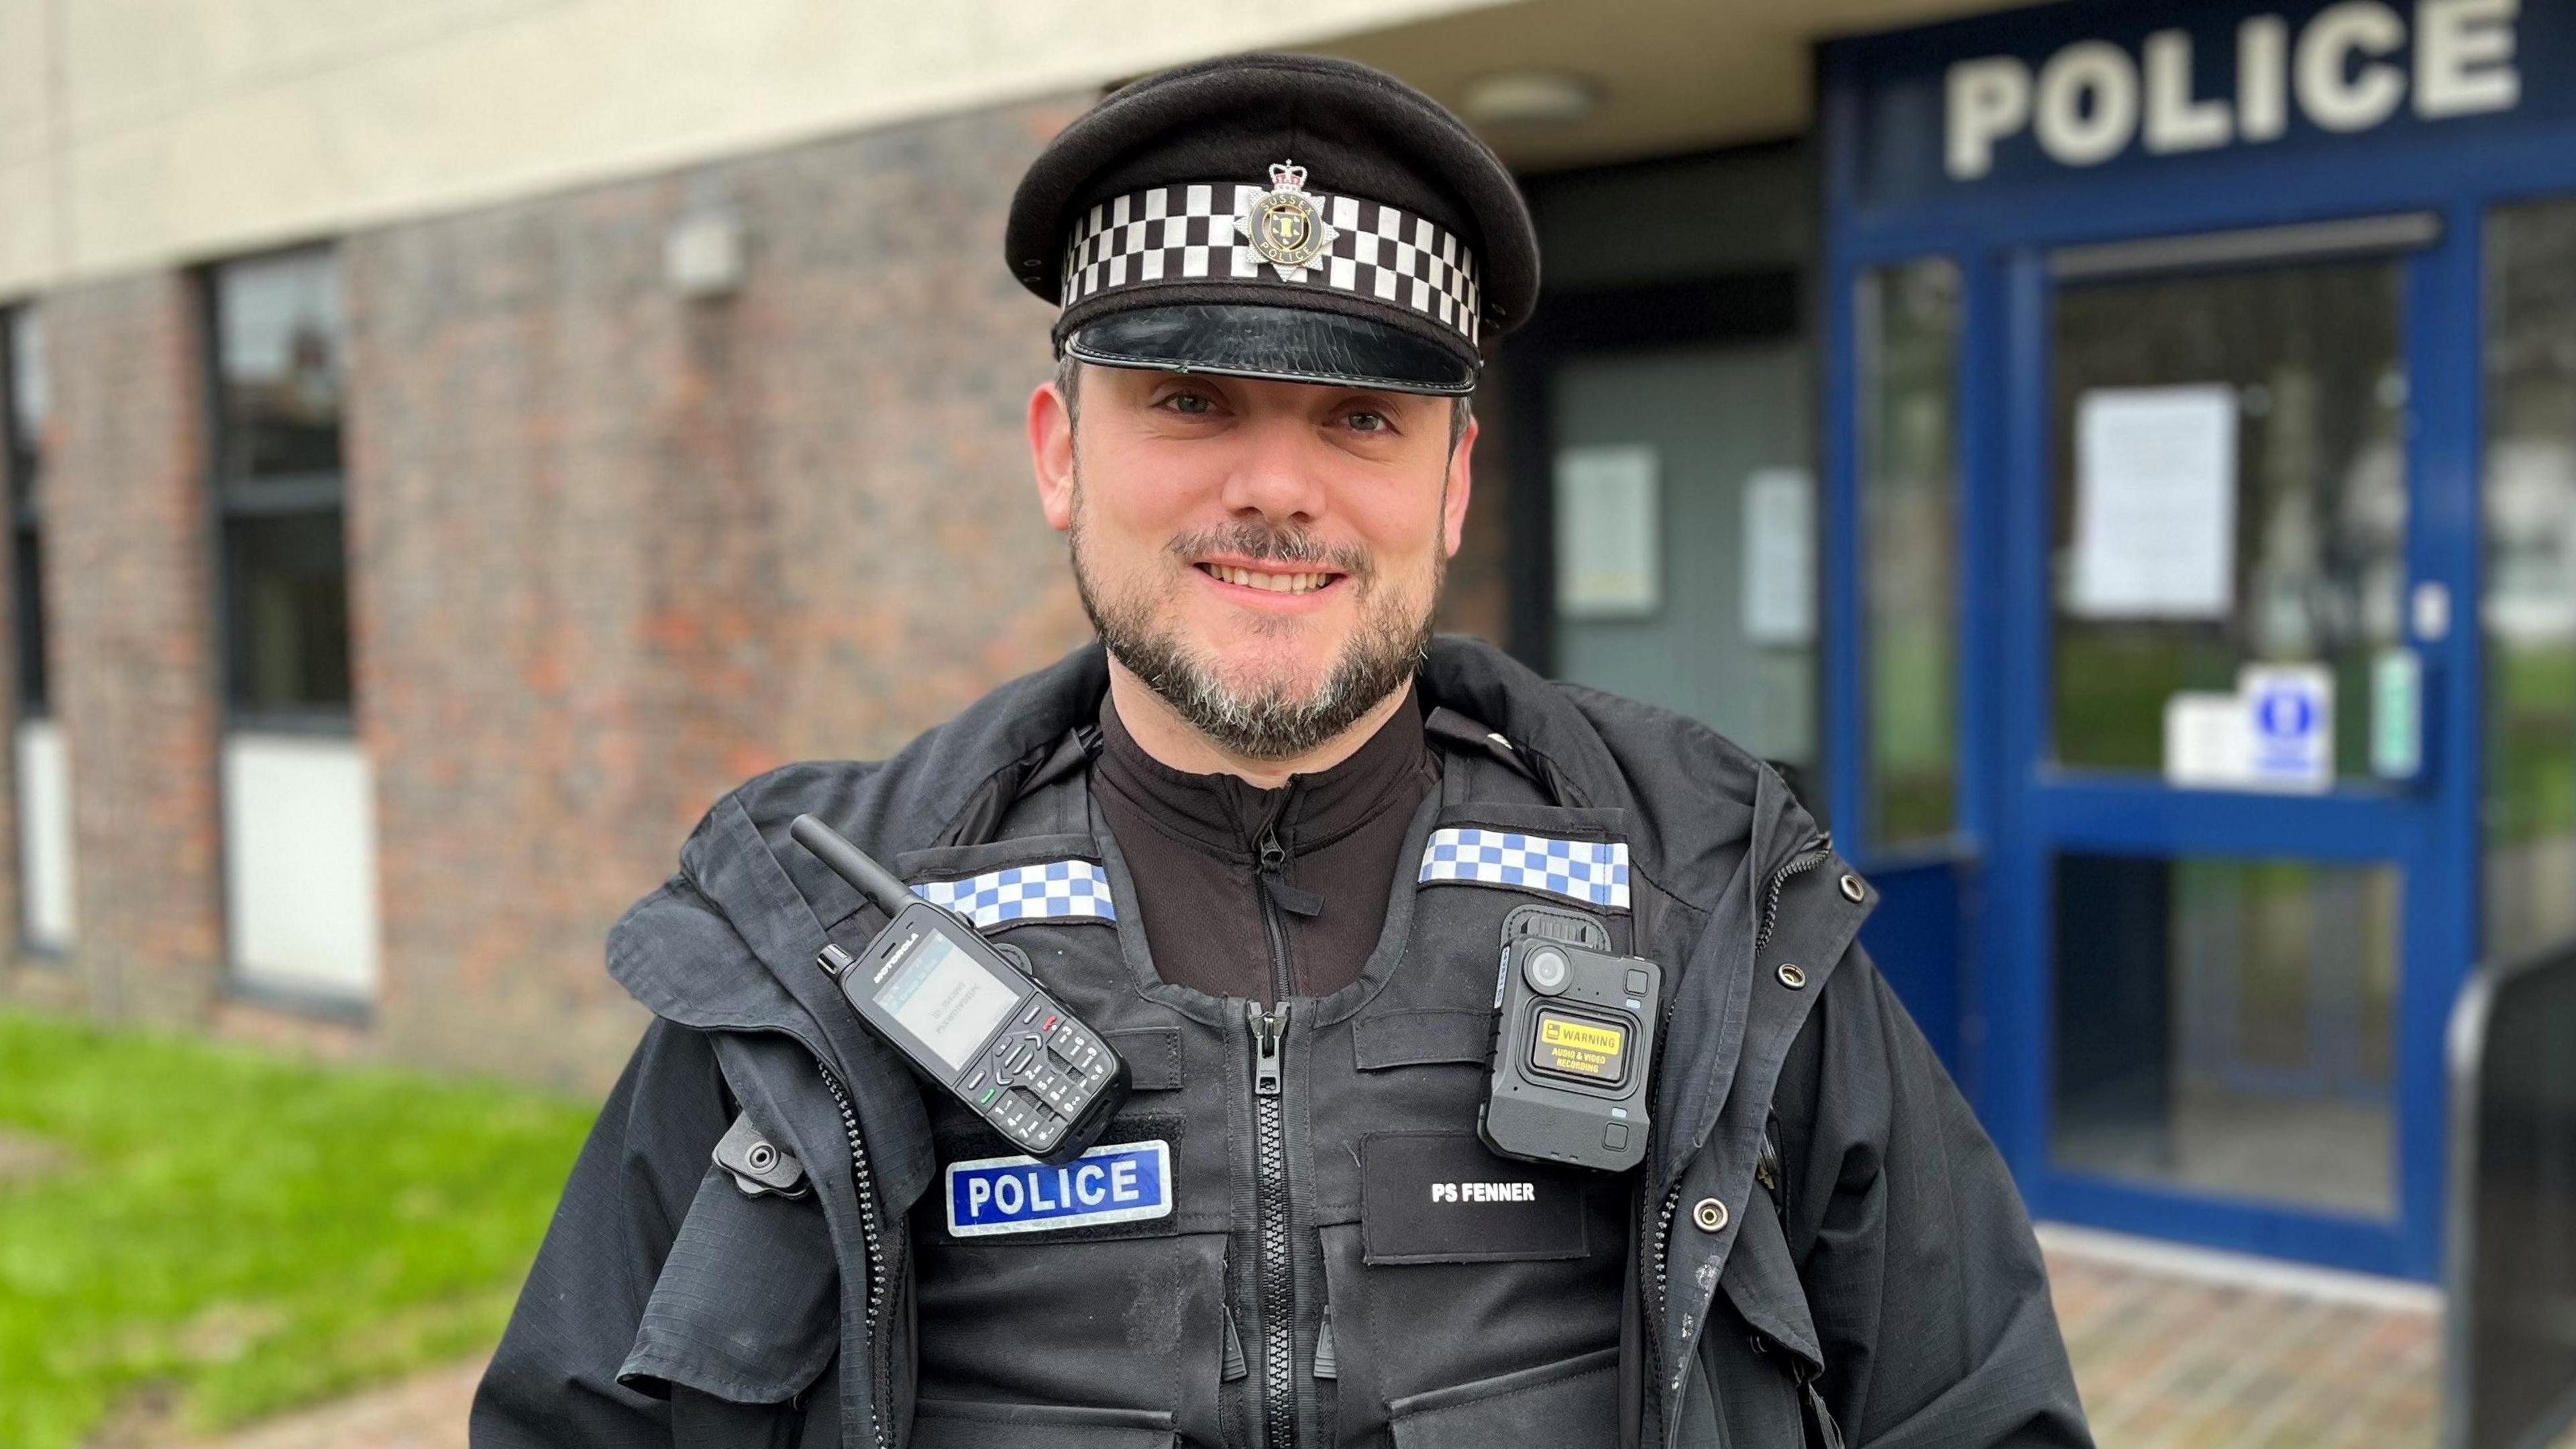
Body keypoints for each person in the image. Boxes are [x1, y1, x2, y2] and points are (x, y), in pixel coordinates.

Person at [472, 52, 2092, 1449]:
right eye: (1191, 403)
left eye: (1360, 420)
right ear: (1061, 453)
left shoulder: (1715, 905)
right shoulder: (815, 948)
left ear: (1453, 482)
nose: (1276, 490)